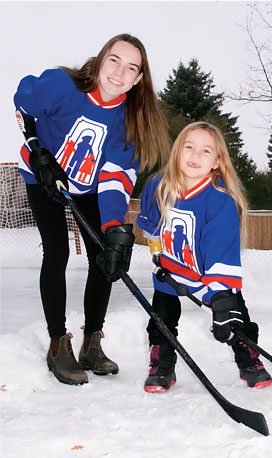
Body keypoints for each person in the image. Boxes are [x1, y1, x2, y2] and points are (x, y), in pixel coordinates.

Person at [14, 33, 169, 385]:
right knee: (57, 251)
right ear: (101, 59)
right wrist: (37, 149)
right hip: (43, 176)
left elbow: (114, 179)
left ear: (139, 79)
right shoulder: (61, 86)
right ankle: (58, 344)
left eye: (131, 68)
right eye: (114, 60)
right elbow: (23, 103)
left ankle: (92, 343)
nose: (119, 72)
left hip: (87, 185)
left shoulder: (130, 123)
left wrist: (115, 227)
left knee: (103, 255)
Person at [137, 121, 272, 392]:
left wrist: (221, 297)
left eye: (206, 150)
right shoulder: (157, 186)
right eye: (189, 147)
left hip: (210, 274)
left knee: (235, 317)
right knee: (161, 318)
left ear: (217, 162)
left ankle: (249, 359)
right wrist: (157, 257)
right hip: (170, 270)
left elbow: (220, 250)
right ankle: (162, 364)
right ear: (177, 151)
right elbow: (152, 228)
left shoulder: (219, 200)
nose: (195, 155)